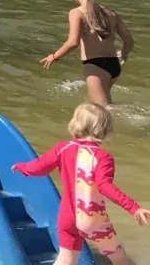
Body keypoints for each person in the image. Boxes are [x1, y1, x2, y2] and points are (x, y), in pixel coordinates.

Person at [12, 102, 149, 265]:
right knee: (120, 260)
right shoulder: (102, 157)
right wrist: (133, 207)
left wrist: (22, 167)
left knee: (65, 261)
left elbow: (38, 168)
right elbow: (105, 187)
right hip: (92, 219)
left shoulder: (62, 148)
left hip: (66, 218)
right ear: (104, 130)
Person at [42, 0, 134, 105]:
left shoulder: (77, 13)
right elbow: (129, 41)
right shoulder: (110, 12)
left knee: (102, 110)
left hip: (95, 66)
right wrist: (123, 54)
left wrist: (54, 56)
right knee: (99, 104)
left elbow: (73, 42)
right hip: (114, 65)